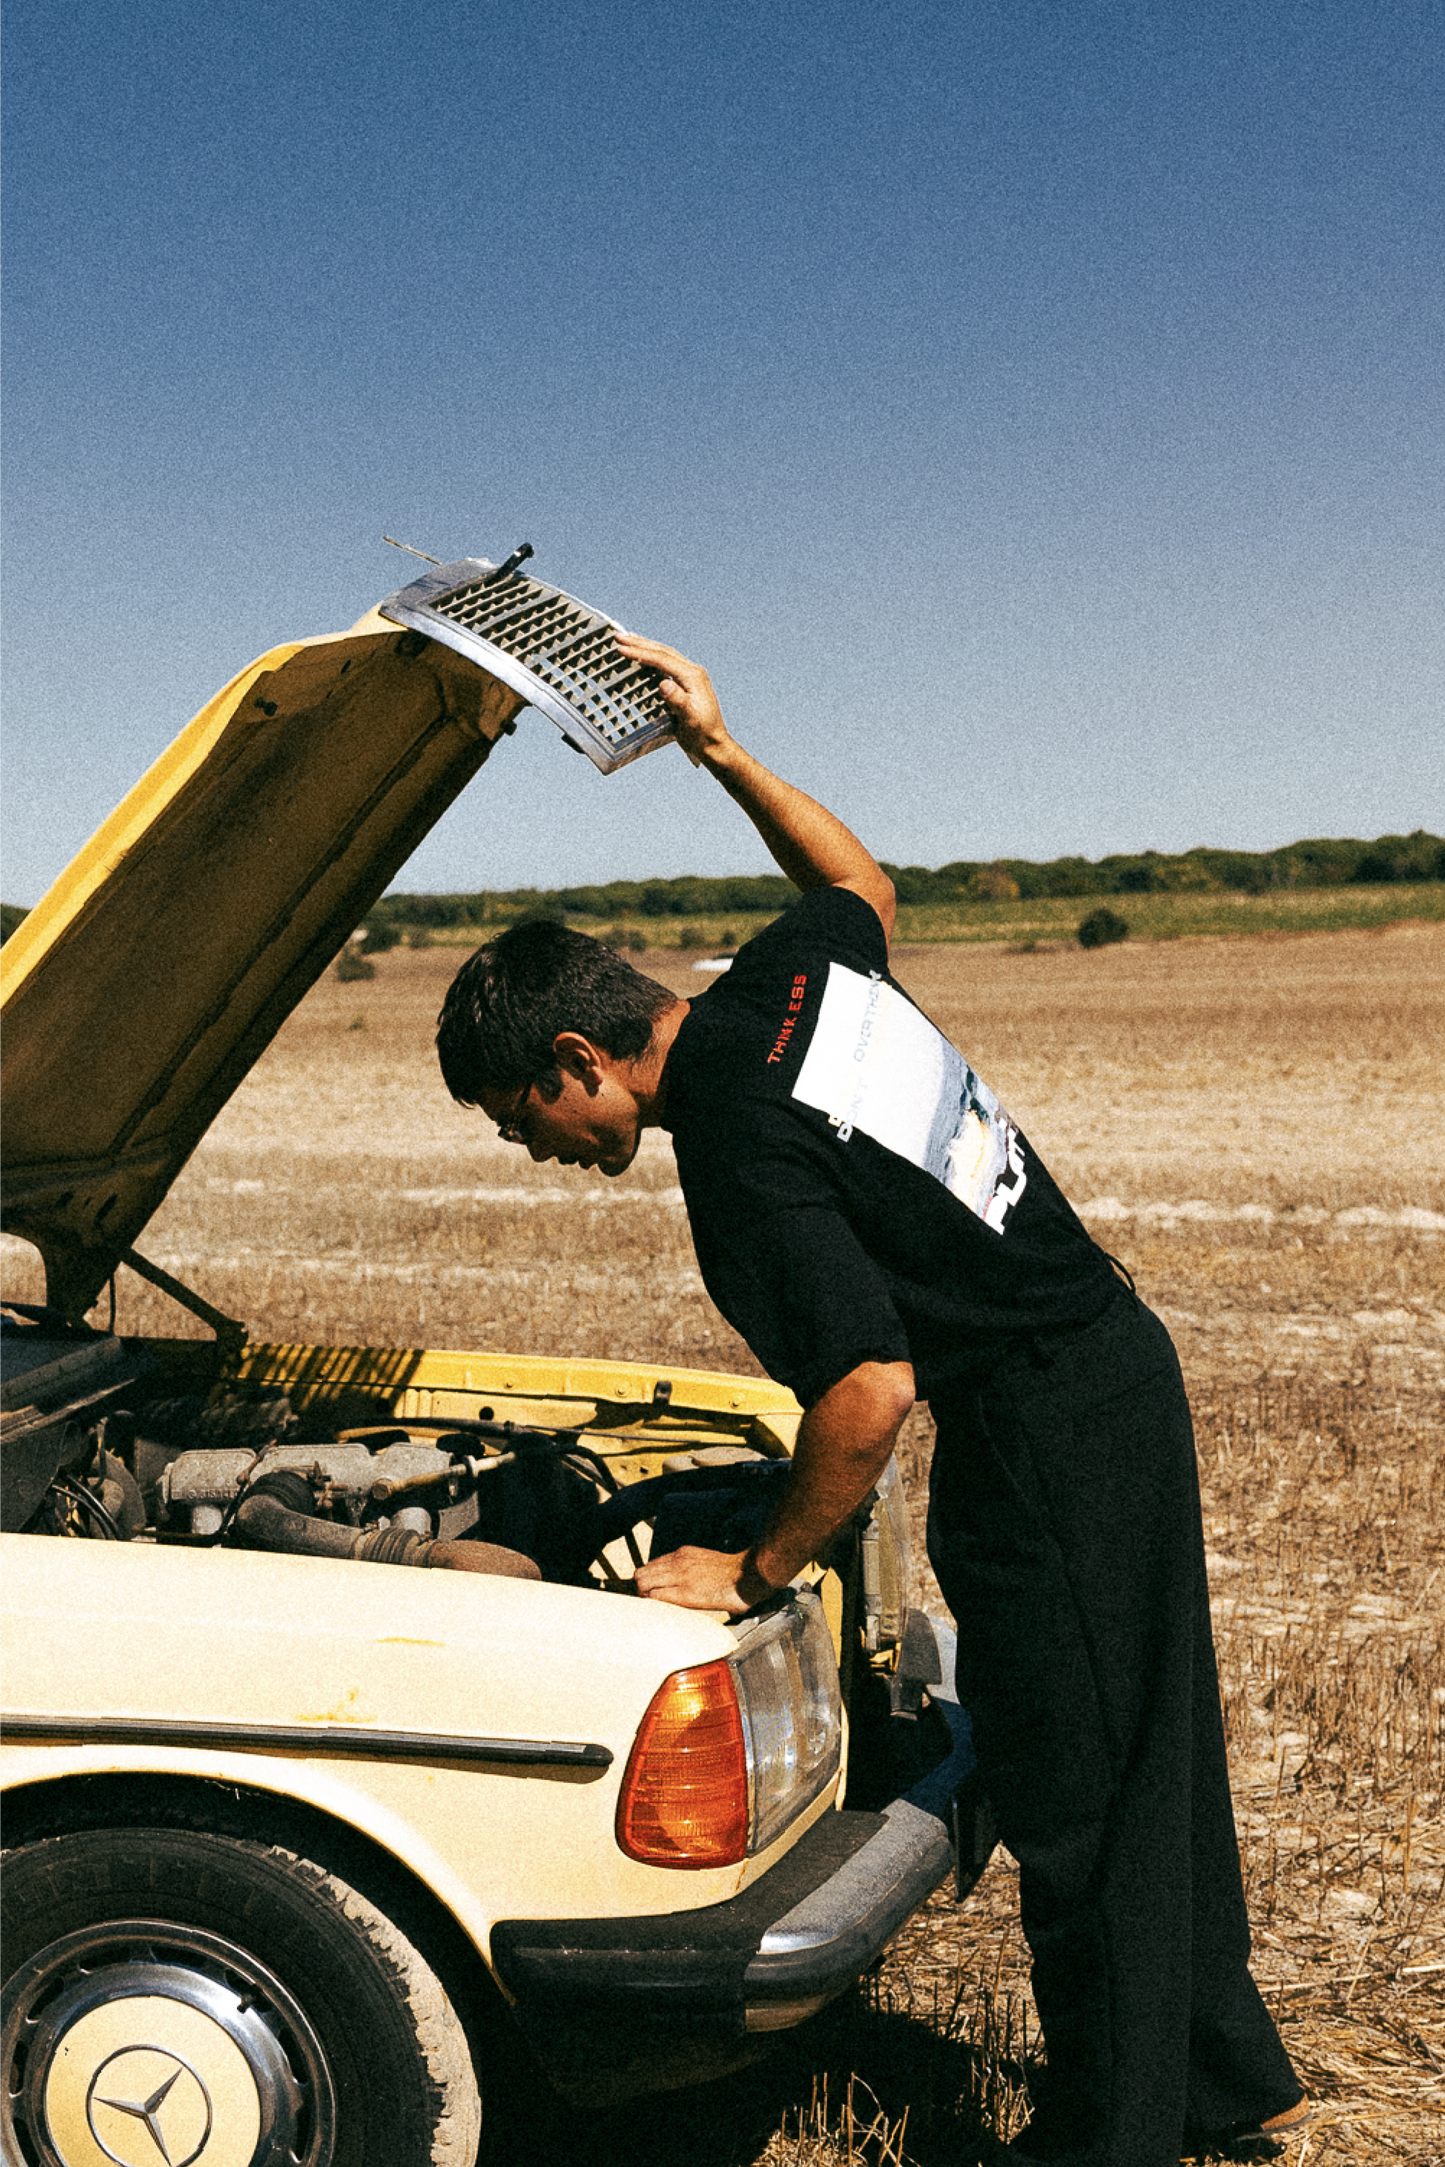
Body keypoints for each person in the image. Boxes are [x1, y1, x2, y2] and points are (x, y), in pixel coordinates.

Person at [435, 634, 1307, 2167]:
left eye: (526, 1118)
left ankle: (1110, 2136)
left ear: (580, 1055)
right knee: (1154, 1757)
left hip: (1040, 1430)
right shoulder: (782, 980)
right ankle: (1223, 2079)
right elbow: (862, 882)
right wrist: (720, 750)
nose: (539, 1152)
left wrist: (754, 1563)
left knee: (1077, 1792)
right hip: (1117, 1365)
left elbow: (867, 1389)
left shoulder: (734, 1138)